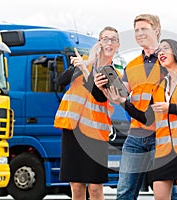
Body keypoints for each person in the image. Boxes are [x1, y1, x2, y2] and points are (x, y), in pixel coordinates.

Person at [107, 38, 177, 200]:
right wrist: (121, 102)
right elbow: (145, 118)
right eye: (159, 51)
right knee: (159, 195)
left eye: (165, 49)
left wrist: (171, 108)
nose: (161, 53)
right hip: (163, 151)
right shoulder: (159, 86)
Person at [95, 14, 177, 199]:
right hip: (136, 135)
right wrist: (105, 87)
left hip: (162, 135)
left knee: (168, 193)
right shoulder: (131, 66)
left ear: (156, 31)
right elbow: (121, 94)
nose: (139, 33)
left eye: (144, 29)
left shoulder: (171, 60)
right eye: (136, 30)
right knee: (124, 191)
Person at [53, 26, 120, 200]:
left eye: (113, 40)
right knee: (75, 186)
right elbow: (61, 81)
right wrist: (88, 62)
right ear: (98, 43)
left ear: (117, 45)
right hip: (73, 130)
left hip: (95, 133)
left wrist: (85, 69)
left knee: (96, 187)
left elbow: (98, 96)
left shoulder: (113, 73)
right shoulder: (85, 61)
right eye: (105, 39)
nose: (109, 43)